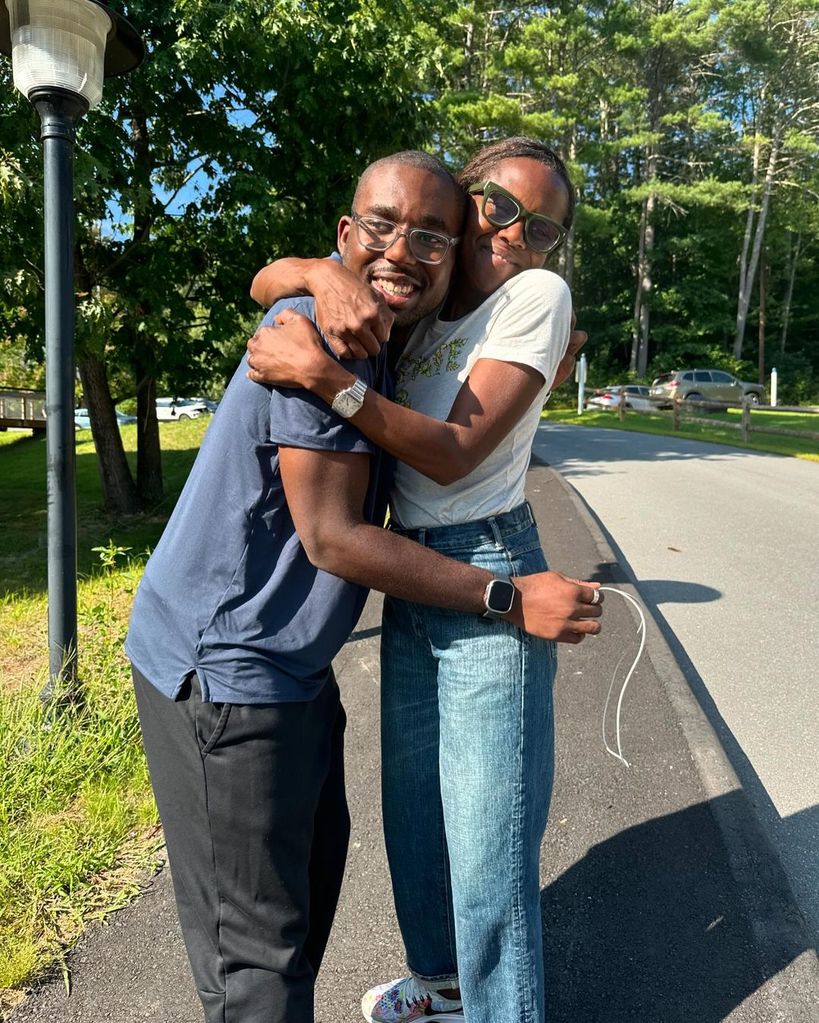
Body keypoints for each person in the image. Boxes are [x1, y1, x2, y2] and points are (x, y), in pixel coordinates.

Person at [125, 149, 602, 1023]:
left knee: (478, 845)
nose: (512, 235)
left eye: (541, 228)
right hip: (275, 634)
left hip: (456, 571)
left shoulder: (471, 309)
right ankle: (449, 990)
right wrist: (315, 277)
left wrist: (327, 374)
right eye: (496, 207)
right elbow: (334, 530)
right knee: (401, 831)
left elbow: (450, 452)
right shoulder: (370, 314)